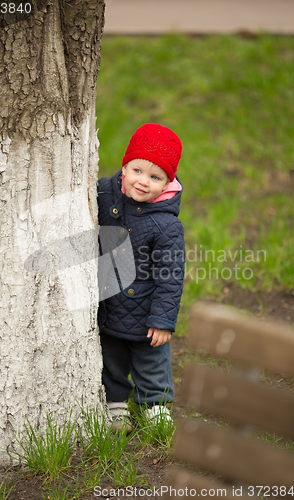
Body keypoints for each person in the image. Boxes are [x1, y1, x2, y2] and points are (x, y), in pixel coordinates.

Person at [97, 123, 185, 430]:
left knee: (151, 362)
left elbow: (171, 276)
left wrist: (162, 320)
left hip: (146, 311)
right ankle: (116, 403)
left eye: (155, 177)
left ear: (167, 183)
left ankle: (155, 406)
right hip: (110, 303)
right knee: (112, 358)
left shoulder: (166, 225)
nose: (143, 182)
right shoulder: (106, 194)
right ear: (124, 166)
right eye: (137, 170)